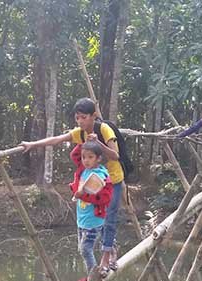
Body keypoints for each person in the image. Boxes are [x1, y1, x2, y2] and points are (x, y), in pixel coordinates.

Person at [21, 98, 125, 270]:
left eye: (84, 117)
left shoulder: (104, 129)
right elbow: (57, 140)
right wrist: (32, 145)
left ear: (93, 116)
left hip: (111, 181)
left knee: (110, 218)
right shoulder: (80, 133)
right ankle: (111, 248)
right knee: (99, 217)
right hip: (93, 185)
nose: (80, 121)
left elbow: (115, 155)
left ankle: (106, 259)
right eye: (78, 118)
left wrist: (97, 142)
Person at [68, 141, 114, 281]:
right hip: (82, 219)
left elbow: (103, 198)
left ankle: (93, 279)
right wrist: (82, 139)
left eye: (90, 157)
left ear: (98, 158)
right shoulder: (84, 170)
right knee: (82, 248)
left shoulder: (100, 176)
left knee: (85, 249)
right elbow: (74, 155)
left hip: (93, 221)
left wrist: (81, 195)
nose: (86, 160)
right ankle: (112, 249)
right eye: (84, 157)